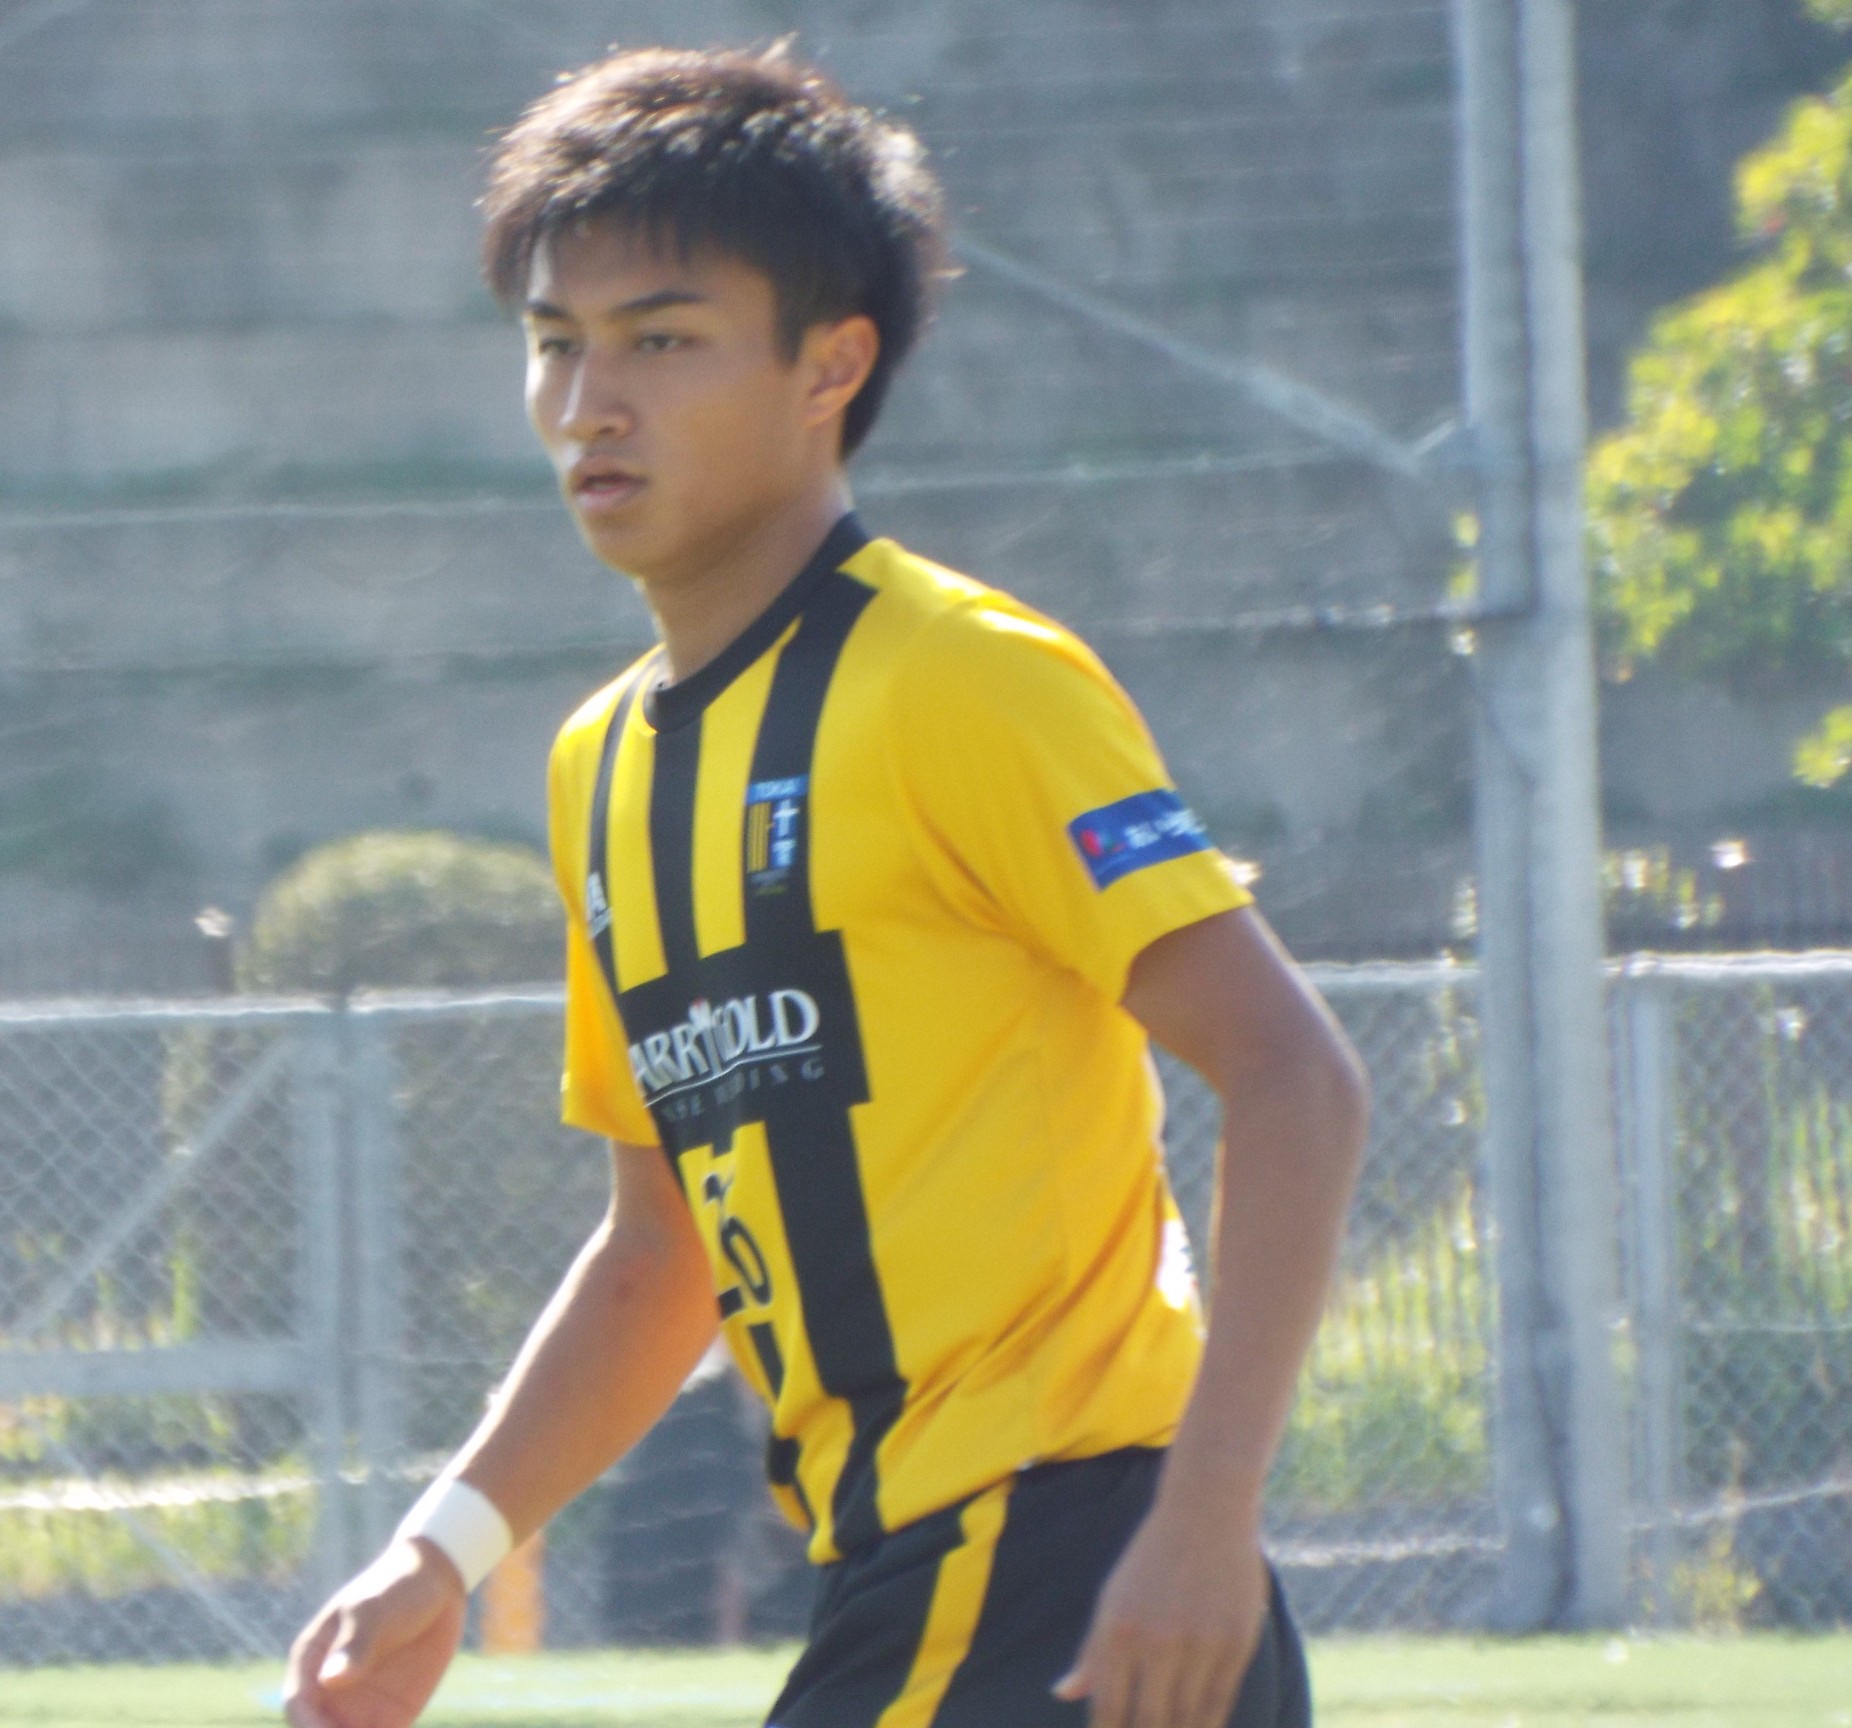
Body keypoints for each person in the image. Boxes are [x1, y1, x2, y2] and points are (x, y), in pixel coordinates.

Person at [283, 44, 1367, 1728]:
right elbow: (662, 1247)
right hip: (917, 1583)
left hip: (1057, 1565)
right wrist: (446, 1549)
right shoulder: (603, 767)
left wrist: (1204, 1521)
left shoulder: (962, 677)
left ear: (831, 365)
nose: (589, 403)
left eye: (662, 340)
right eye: (556, 343)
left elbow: (1295, 1073)